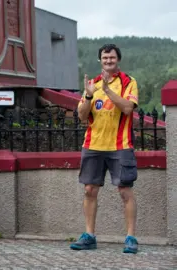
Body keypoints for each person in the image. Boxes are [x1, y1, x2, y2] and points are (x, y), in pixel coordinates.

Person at [70, 44, 140, 253]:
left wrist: (108, 90)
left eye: (111, 57)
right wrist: (89, 96)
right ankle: (89, 236)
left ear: (118, 59)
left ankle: (130, 238)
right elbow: (82, 116)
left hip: (121, 146)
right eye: (104, 58)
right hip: (93, 145)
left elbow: (128, 108)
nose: (108, 61)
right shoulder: (92, 84)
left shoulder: (129, 82)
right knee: (90, 190)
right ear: (100, 60)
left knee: (125, 191)